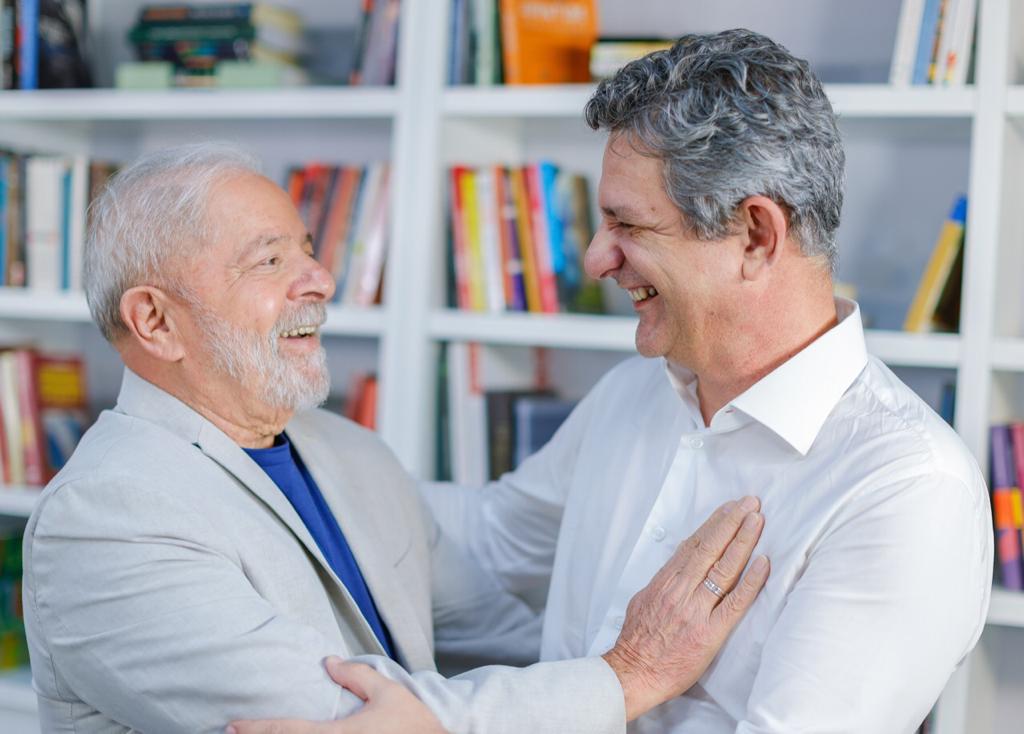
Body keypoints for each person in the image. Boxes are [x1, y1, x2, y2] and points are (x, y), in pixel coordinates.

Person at [234, 28, 993, 734]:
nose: (596, 259)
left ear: (756, 236)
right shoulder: (638, 392)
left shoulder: (905, 490)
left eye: (630, 226)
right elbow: (490, 536)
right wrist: (267, 454)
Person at [21, 143, 770, 734]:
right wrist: (630, 675)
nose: (319, 276)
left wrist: (711, 662)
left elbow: (513, 639)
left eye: (308, 248)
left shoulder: (351, 452)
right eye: (270, 260)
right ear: (154, 322)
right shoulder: (103, 522)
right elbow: (357, 723)